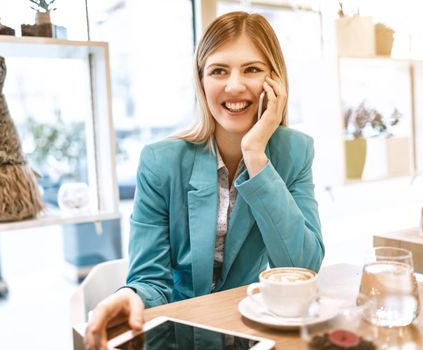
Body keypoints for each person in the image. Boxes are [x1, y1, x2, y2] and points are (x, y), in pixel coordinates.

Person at [84, 11, 324, 350]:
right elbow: (149, 279)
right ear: (201, 81)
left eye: (252, 69)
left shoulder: (295, 153)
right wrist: (130, 294)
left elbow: (301, 268)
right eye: (219, 70)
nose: (235, 86)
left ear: (275, 80)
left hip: (252, 335)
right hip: (177, 337)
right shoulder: (160, 161)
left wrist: (255, 154)